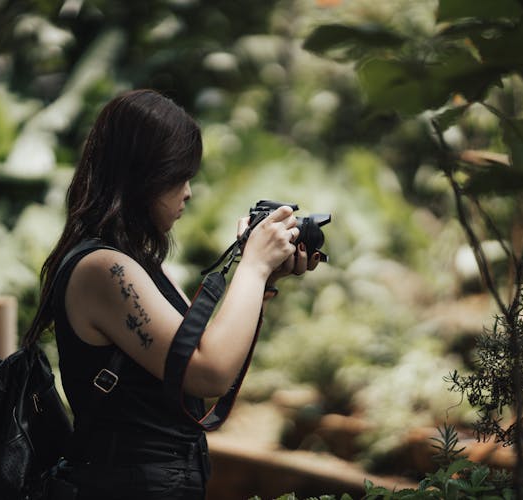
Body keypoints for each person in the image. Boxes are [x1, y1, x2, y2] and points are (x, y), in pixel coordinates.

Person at [23, 88, 320, 500]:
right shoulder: (102, 269)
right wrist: (250, 266)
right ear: (142, 175)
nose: (188, 192)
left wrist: (263, 281)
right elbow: (207, 373)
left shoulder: (139, 262)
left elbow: (198, 351)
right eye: (178, 177)